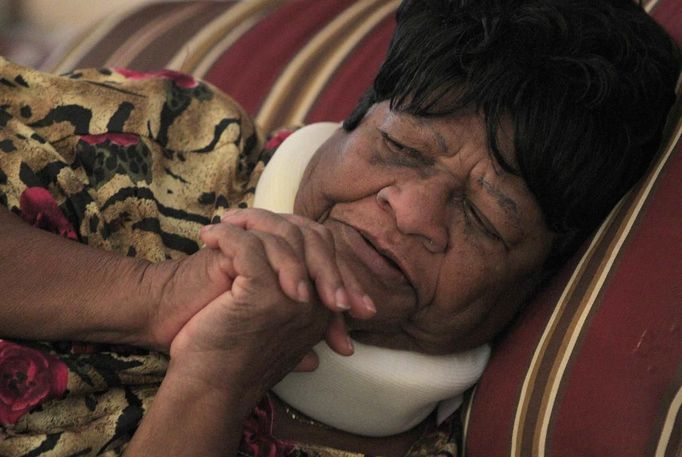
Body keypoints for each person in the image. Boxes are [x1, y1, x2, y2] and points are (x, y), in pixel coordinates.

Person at [0, 0, 678, 456]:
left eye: (484, 216)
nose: (411, 211)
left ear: (537, 281)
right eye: (403, 148)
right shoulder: (163, 135)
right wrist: (153, 296)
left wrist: (216, 385)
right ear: (354, 117)